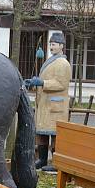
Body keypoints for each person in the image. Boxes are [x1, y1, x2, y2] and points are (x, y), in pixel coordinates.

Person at [25, 32, 71, 173]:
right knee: (42, 133)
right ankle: (42, 160)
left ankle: (56, 163)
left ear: (61, 46)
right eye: (50, 44)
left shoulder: (63, 63)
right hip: (45, 103)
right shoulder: (51, 61)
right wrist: (34, 83)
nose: (51, 47)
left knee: (55, 134)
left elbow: (61, 84)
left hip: (55, 105)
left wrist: (42, 82)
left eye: (54, 44)